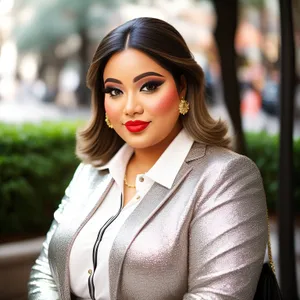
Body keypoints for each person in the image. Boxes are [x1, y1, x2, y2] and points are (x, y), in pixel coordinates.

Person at [28, 17, 267, 300]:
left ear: (181, 88)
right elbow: (45, 269)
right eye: (115, 91)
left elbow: (217, 296)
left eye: (149, 86)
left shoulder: (226, 177)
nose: (130, 107)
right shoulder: (91, 170)